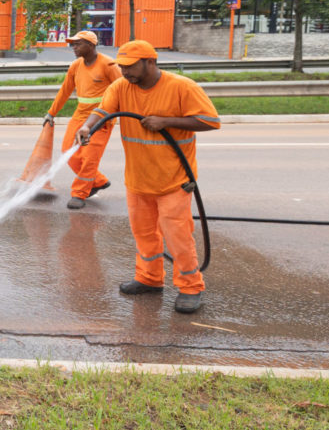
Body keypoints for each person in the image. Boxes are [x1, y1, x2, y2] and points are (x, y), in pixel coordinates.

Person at [78, 40, 220, 314]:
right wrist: (87, 126)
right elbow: (103, 110)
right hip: (138, 180)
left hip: (174, 181)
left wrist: (166, 121)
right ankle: (150, 278)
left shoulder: (181, 87)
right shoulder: (121, 86)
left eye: (130, 67)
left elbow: (211, 121)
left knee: (178, 238)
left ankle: (190, 287)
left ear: (150, 62)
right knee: (144, 235)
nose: (125, 72)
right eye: (122, 67)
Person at [42, 30, 122, 210]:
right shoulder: (76, 66)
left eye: (78, 44)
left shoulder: (108, 65)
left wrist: (124, 115)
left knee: (89, 158)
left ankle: (79, 193)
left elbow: (124, 89)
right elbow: (65, 90)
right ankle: (98, 181)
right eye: (73, 44)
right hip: (80, 116)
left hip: (101, 119)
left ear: (91, 45)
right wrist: (51, 113)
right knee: (68, 152)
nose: (73, 47)